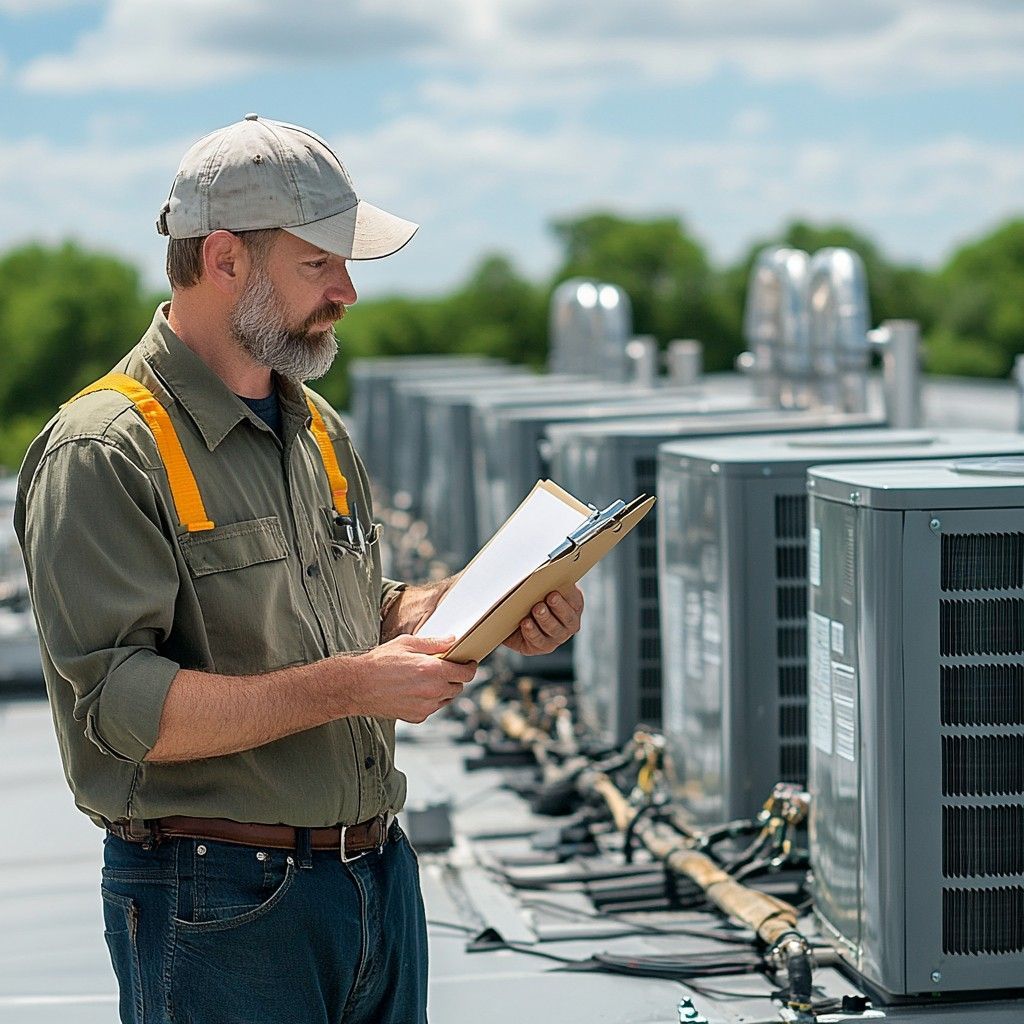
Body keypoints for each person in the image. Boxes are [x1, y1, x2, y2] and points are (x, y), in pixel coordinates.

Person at [14, 114, 584, 1024]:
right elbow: (121, 709)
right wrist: (354, 686)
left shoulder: (316, 428)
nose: (349, 291)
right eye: (319, 263)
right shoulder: (105, 450)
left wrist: (484, 607)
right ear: (226, 259)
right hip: (218, 906)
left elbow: (361, 609)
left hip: (375, 886)